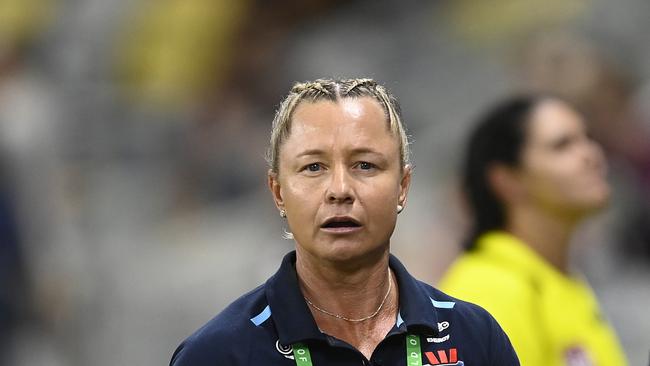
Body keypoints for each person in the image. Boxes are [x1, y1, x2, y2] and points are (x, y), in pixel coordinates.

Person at [169, 78, 519, 365]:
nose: (340, 190)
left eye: (365, 165)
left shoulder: (475, 339)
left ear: (403, 186)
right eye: (313, 167)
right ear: (278, 193)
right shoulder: (218, 355)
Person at [439, 95, 628, 366]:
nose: (591, 155)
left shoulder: (560, 279)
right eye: (562, 145)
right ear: (507, 180)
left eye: (588, 138)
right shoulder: (488, 291)